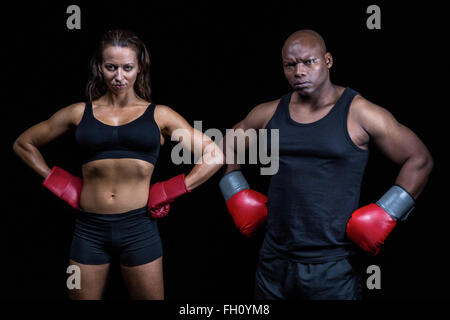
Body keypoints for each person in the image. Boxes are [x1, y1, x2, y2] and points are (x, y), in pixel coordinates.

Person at [219, 29, 433, 299]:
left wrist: (386, 212)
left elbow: (419, 158)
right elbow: (228, 144)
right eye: (290, 65)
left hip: (333, 266)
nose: (299, 72)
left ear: (328, 61)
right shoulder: (268, 113)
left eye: (309, 61)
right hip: (273, 262)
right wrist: (235, 190)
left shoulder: (359, 113)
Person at [13, 29, 223, 300]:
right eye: (110, 67)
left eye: (127, 67)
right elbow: (23, 143)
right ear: (99, 68)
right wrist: (60, 184)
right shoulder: (79, 112)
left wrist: (172, 189)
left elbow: (214, 154)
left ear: (140, 68)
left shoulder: (160, 115)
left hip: (139, 228)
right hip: (88, 230)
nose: (119, 76)